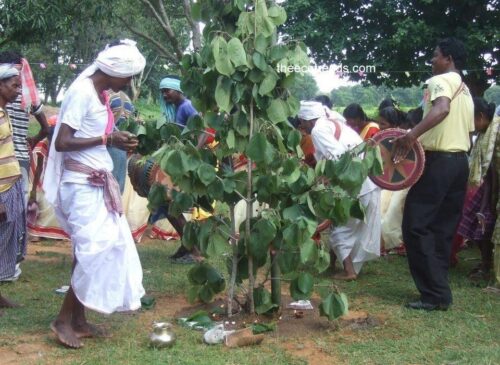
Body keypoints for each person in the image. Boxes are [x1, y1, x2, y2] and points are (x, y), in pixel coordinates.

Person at [43, 39, 146, 348]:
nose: (128, 83)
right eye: (128, 76)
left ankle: (79, 319)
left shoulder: (98, 94)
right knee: (93, 250)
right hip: (80, 185)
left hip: (95, 184)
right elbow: (61, 142)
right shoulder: (80, 93)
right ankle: (62, 321)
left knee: (91, 250)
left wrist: (113, 139)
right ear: (114, 72)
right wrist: (107, 138)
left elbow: (95, 135)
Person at [393, 37, 474, 311]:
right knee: (442, 228)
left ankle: (434, 294)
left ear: (447, 58)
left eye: (435, 55)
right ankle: (439, 290)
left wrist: (410, 136)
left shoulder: (439, 81)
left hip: (439, 162)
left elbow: (441, 109)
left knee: (415, 224)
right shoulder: (466, 90)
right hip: (460, 162)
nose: (431, 61)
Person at [299, 101, 381, 280]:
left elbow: (338, 156)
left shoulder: (318, 130)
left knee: (340, 228)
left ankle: (349, 271)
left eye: (301, 121)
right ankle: (332, 264)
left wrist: (326, 178)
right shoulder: (334, 123)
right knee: (348, 226)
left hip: (353, 185)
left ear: (307, 119)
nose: (301, 126)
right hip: (367, 182)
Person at [0, 51, 50, 207]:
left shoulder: (9, 89)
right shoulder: (27, 93)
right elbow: (46, 129)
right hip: (20, 157)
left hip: (5, 160)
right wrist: (33, 140)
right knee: (17, 207)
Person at [456, 98, 497, 280]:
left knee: (486, 226)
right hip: (489, 185)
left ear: (480, 116)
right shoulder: (483, 135)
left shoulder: (496, 133)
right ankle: (486, 263)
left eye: (470, 120)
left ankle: (489, 267)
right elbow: (488, 173)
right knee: (477, 223)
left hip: (494, 187)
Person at [0, 63, 24, 315]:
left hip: (10, 183)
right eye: (13, 85)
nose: (18, 90)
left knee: (5, 237)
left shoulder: (4, 111)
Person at [27, 115, 69, 241]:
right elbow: (38, 169)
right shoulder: (43, 145)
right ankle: (42, 231)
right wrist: (35, 190)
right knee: (46, 199)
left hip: (54, 177)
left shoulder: (63, 143)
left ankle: (56, 232)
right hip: (41, 178)